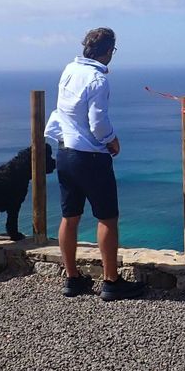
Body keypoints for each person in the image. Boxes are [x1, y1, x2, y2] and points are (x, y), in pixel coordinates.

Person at [44, 28, 144, 301]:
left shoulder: (69, 70)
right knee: (107, 218)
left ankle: (72, 278)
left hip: (65, 153)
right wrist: (112, 141)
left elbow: (62, 109)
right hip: (90, 156)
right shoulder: (98, 79)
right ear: (109, 50)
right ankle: (111, 281)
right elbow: (98, 122)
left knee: (70, 216)